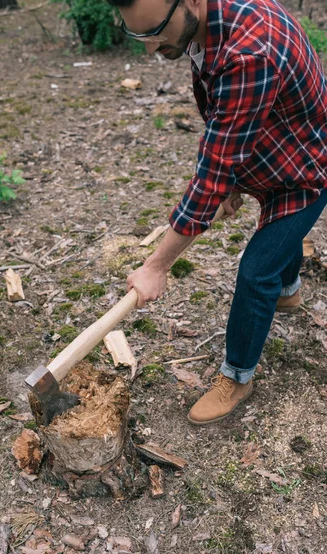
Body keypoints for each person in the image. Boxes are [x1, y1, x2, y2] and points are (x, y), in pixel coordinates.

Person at [107, 0, 327, 424]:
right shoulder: (208, 23)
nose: (151, 49)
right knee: (279, 246)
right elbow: (223, 119)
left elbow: (209, 180)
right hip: (273, 146)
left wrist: (157, 265)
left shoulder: (250, 53)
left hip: (308, 166)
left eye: (155, 32)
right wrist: (234, 178)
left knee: (256, 272)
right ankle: (289, 290)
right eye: (140, 36)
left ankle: (238, 375)